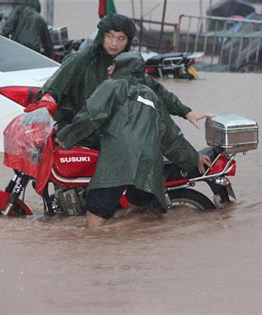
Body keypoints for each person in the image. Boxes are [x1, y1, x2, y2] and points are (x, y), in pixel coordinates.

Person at [57, 52, 211, 228]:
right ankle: (130, 243)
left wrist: (65, 137)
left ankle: (98, 249)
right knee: (140, 212)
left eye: (113, 65)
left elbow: (91, 116)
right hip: (149, 166)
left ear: (123, 68)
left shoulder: (112, 86)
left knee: (95, 214)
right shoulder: (152, 96)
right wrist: (194, 157)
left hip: (118, 161)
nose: (109, 68)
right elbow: (171, 137)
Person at [25, 13, 213, 131]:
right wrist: (47, 101)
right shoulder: (80, 60)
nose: (114, 43)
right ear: (102, 36)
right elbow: (53, 87)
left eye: (121, 38)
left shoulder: (127, 65)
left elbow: (154, 89)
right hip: (75, 131)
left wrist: (186, 112)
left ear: (128, 41)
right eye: (110, 36)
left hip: (108, 132)